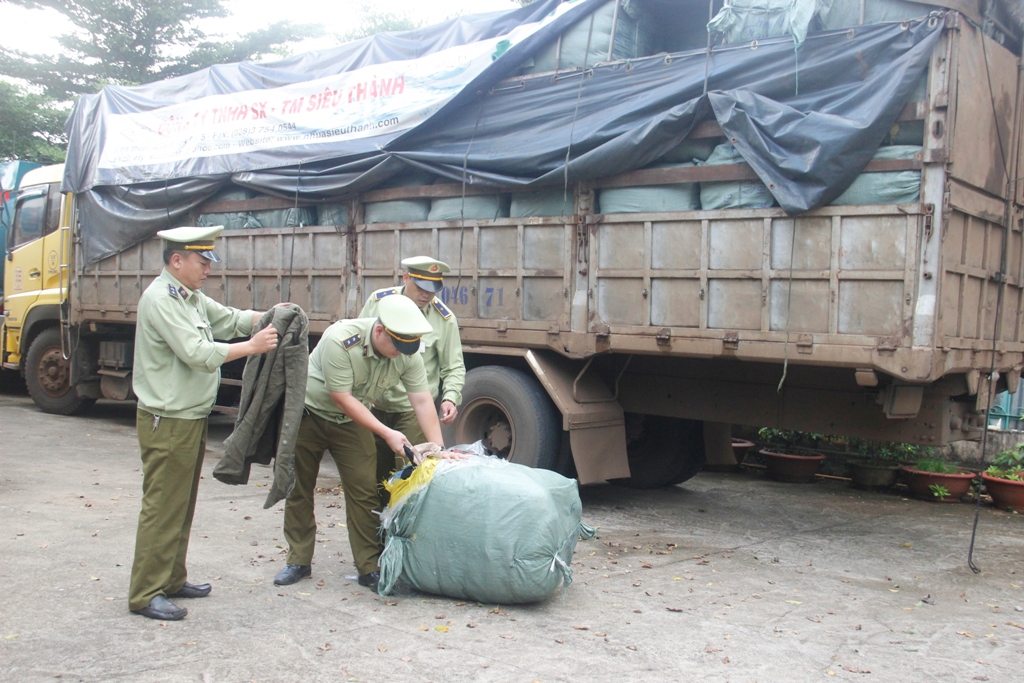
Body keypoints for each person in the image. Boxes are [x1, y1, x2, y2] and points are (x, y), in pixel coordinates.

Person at [129, 226, 282, 621]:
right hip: (169, 421)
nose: (207, 270)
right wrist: (252, 347)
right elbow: (197, 352)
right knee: (162, 507)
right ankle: (146, 592)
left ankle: (171, 578)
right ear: (176, 260)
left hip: (188, 417)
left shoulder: (189, 297)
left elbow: (228, 318)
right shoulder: (160, 299)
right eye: (201, 262)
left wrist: (269, 317)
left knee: (180, 506)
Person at [274, 295, 459, 592]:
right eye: (397, 346)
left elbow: (423, 400)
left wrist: (438, 449)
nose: (401, 354)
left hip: (351, 422)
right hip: (310, 414)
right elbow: (341, 397)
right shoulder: (341, 339)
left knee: (363, 489)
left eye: (406, 348)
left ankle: (369, 566)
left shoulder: (407, 352)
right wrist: (387, 432)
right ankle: (298, 560)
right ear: (379, 332)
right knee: (300, 486)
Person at [358, 256, 465, 508]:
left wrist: (450, 396)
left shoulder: (444, 318)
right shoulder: (378, 302)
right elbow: (360, 342)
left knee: (412, 479)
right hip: (374, 406)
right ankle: (377, 533)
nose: (427, 296)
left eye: (433, 290)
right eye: (421, 288)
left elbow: (454, 365)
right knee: (374, 477)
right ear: (405, 278)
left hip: (412, 411)